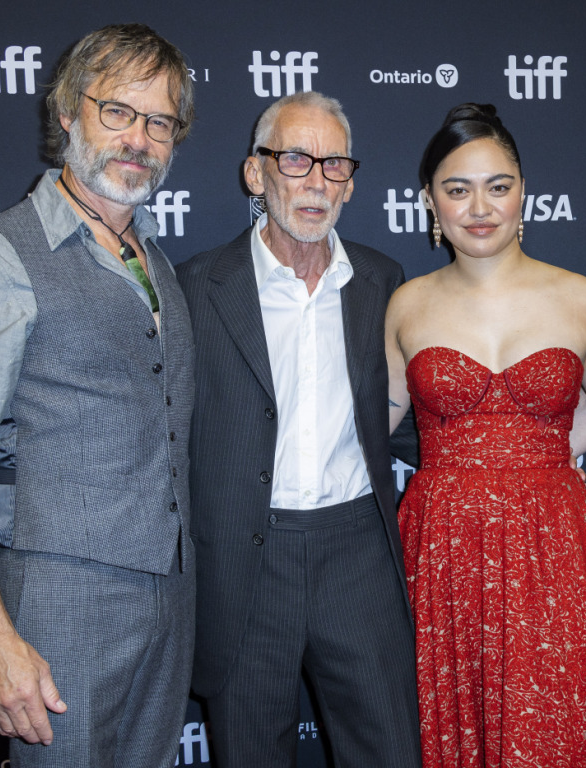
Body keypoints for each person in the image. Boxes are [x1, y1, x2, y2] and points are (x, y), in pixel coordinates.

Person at [0, 24, 195, 768]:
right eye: (117, 112)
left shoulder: (158, 263)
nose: (138, 139)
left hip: (169, 606)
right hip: (56, 608)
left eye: (159, 122)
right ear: (68, 113)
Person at [385, 103, 586, 768]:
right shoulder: (406, 303)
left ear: (524, 192)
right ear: (430, 201)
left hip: (554, 541)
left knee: (556, 723)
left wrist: (544, 454)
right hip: (443, 545)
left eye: (498, 186)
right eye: (457, 189)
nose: (480, 208)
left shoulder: (581, 297)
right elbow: (373, 422)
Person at [176, 91, 421, 768]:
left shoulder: (384, 282)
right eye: (295, 159)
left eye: (334, 164)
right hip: (245, 564)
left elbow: (412, 414)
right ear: (256, 173)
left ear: (351, 183)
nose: (316, 181)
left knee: (391, 751)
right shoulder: (196, 287)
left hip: (359, 555)